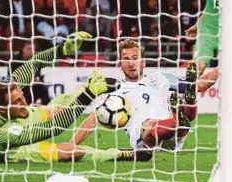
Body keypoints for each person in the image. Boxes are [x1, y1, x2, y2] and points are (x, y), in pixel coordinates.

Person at [0, 32, 142, 163]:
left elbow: (34, 63)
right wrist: (89, 95)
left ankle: (87, 86)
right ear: (3, 108)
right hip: (6, 150)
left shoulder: (1, 92)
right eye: (18, 102)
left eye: (22, 96)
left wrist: (62, 50)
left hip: (11, 120)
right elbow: (54, 128)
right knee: (71, 151)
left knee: (58, 110)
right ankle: (118, 153)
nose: (25, 102)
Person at [72, 39, 216, 156]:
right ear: (120, 65)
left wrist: (224, 67)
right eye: (126, 59)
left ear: (143, 62)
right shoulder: (116, 91)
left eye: (135, 58)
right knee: (149, 124)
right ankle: (180, 117)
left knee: (188, 96)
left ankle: (183, 113)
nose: (131, 62)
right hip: (144, 142)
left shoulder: (160, 78)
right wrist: (72, 145)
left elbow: (200, 85)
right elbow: (92, 119)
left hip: (172, 136)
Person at [185, 0, 219, 76]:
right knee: (196, 69)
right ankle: (188, 91)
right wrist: (197, 25)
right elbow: (207, 9)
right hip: (208, 32)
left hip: (227, 35)